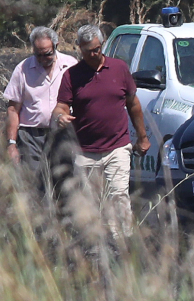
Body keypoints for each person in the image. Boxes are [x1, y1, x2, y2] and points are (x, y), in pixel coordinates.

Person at [53, 25, 150, 236]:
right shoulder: (72, 76)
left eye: (97, 49)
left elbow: (133, 105)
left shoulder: (119, 68)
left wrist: (142, 137)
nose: (94, 54)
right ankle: (96, 243)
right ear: (79, 49)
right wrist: (60, 116)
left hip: (117, 146)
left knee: (119, 195)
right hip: (85, 150)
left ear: (102, 44)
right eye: (88, 51)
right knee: (90, 200)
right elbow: (61, 106)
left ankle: (123, 240)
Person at [4, 26, 78, 186]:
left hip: (62, 135)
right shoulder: (23, 69)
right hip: (31, 137)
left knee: (64, 185)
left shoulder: (71, 65)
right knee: (35, 186)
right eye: (39, 55)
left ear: (56, 46)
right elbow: (12, 109)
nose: (44, 58)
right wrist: (11, 143)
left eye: (48, 53)